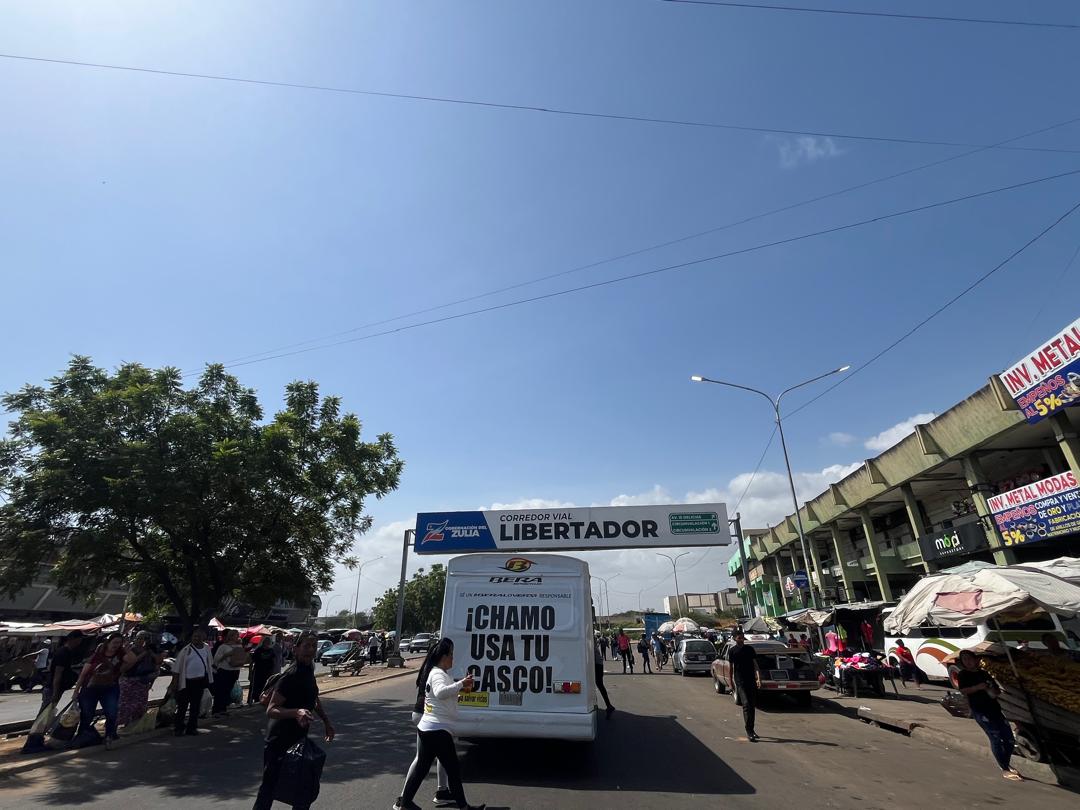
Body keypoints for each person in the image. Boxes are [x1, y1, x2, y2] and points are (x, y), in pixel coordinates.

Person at [394, 639, 485, 810]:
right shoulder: (437, 674)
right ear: (443, 657)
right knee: (452, 770)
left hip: (430, 728)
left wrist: (461, 689)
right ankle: (464, 807)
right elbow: (440, 692)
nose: (453, 658)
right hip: (437, 730)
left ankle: (406, 803)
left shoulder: (440, 673)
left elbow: (442, 697)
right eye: (451, 655)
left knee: (422, 768)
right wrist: (461, 684)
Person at [253, 632, 334, 810]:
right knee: (269, 788)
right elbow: (271, 709)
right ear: (296, 649)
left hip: (298, 741)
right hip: (278, 741)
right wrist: (296, 712)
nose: (311, 649)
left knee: (303, 788)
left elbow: (313, 697)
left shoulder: (309, 671)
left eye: (314, 646)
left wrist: (326, 722)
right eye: (306, 646)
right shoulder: (291, 676)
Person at [956, 650, 1022, 781]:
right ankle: (1004, 768)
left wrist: (991, 690)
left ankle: (1006, 763)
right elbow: (963, 690)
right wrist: (977, 687)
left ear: (975, 659)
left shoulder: (984, 674)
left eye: (969, 658)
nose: (967, 661)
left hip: (994, 709)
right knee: (995, 737)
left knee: (1009, 739)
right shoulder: (963, 675)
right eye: (964, 659)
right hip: (980, 711)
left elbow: (996, 691)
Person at [73, 632, 132, 749]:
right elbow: (83, 674)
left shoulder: (120, 655)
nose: (116, 645)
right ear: (108, 642)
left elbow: (132, 660)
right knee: (87, 714)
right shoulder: (96, 655)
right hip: (90, 688)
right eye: (114, 642)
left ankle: (109, 735)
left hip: (109, 688)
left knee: (112, 712)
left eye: (119, 643)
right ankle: (82, 737)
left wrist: (126, 649)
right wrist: (76, 691)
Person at [173, 628, 213, 736]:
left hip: (199, 682)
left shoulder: (206, 648)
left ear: (203, 638)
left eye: (198, 636)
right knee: (182, 706)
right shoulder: (186, 650)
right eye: (194, 636)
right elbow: (177, 668)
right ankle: (179, 728)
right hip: (186, 682)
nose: (196, 638)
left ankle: (192, 728)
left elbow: (209, 663)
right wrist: (175, 683)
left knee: (195, 707)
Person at [118, 631, 161, 726]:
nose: (140, 641)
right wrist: (142, 655)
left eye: (143, 639)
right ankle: (125, 723)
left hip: (143, 682)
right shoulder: (131, 650)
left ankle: (135, 724)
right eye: (138, 638)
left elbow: (157, 664)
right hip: (129, 680)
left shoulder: (150, 651)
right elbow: (125, 667)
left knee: (139, 705)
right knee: (125, 704)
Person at [728, 629, 759, 742]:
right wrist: (731, 683)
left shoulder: (749, 649)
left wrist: (758, 678)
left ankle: (752, 729)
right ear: (735, 638)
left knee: (752, 705)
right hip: (740, 680)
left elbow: (755, 664)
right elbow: (731, 668)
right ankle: (749, 731)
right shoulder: (732, 651)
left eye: (742, 637)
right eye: (739, 637)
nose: (741, 639)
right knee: (746, 704)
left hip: (751, 680)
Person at [41, 630, 84, 708]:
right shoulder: (63, 653)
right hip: (52, 688)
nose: (79, 643)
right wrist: (55, 692)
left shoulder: (67, 652)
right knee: (45, 713)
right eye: (79, 640)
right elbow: (58, 674)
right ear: (73, 639)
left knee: (49, 712)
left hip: (56, 687)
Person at [211, 628, 246, 717]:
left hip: (235, 670)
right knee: (220, 690)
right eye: (235, 635)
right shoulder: (223, 646)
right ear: (230, 636)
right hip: (224, 670)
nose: (237, 637)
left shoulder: (239, 646)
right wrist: (227, 655)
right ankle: (216, 710)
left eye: (237, 635)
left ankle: (223, 708)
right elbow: (216, 659)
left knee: (228, 690)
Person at [249, 636, 277, 704]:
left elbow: (273, 661)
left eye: (268, 641)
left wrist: (273, 671)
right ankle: (255, 699)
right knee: (256, 686)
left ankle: (263, 699)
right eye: (266, 641)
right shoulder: (258, 650)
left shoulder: (271, 651)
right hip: (258, 671)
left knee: (265, 686)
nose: (267, 643)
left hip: (268, 671)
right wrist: (250, 672)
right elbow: (253, 661)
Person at [593, 638, 615, 719]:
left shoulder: (591, 642)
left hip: (597, 664)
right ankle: (608, 705)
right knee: (598, 684)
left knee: (599, 684)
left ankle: (608, 705)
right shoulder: (592, 641)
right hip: (598, 663)